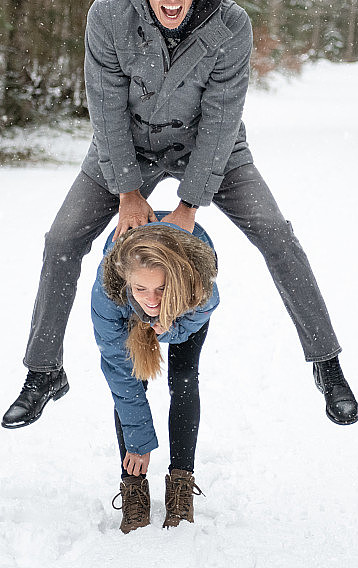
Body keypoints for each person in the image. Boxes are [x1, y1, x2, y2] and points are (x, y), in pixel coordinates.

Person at [1, 0, 358, 431]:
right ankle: (43, 371)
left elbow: (222, 115)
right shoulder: (107, 17)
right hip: (128, 148)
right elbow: (104, 109)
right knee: (61, 238)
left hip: (210, 149)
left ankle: (327, 363)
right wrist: (127, 191)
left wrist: (190, 204)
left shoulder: (232, 25)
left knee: (277, 234)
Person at [92, 219, 218, 532]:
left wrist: (174, 327)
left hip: (183, 308)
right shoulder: (109, 295)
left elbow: (208, 305)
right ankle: (133, 487)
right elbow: (121, 376)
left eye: (161, 289)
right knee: (131, 381)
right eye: (141, 289)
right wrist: (138, 442)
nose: (151, 299)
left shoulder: (196, 286)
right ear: (126, 283)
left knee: (184, 377)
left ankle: (181, 482)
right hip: (127, 311)